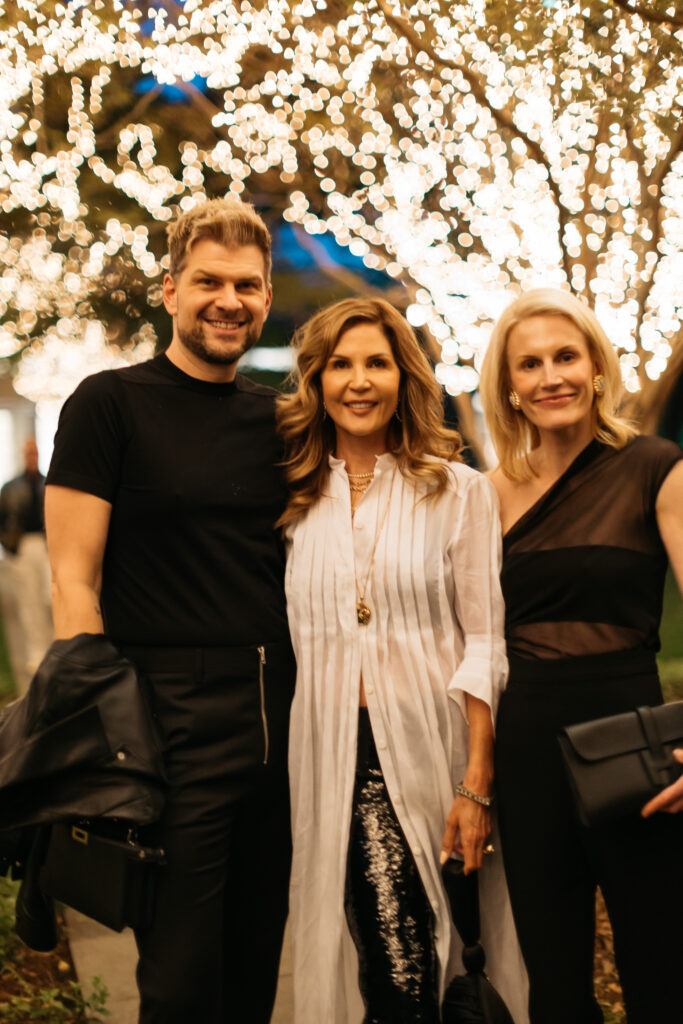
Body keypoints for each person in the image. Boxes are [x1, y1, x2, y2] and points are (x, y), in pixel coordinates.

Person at [44, 197, 296, 1024]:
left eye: (248, 286)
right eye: (209, 282)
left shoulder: (280, 419)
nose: (230, 300)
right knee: (182, 974)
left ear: (266, 296)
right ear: (170, 290)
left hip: (282, 713)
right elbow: (74, 580)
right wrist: (99, 732)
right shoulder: (108, 404)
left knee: (255, 957)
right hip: (166, 712)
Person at [277, 298, 528, 1024]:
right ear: (317, 381)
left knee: (444, 958)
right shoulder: (289, 499)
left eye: (377, 363)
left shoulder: (457, 491)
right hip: (331, 758)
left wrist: (474, 784)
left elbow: (485, 641)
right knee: (390, 964)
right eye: (341, 365)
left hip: (436, 752)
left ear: (403, 377)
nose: (359, 382)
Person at [479, 287, 683, 1024]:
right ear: (507, 384)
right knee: (554, 984)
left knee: (663, 970)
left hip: (635, 748)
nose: (548, 377)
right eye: (527, 364)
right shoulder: (486, 493)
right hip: (526, 748)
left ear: (596, 366)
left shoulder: (657, 468)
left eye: (565, 357)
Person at [0, 436, 53, 690]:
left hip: (46, 547)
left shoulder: (48, 484)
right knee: (27, 604)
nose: (32, 457)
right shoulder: (11, 488)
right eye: (28, 453)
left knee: (47, 601)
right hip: (22, 548)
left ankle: (51, 656)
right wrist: (12, 546)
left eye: (35, 452)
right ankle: (34, 658)